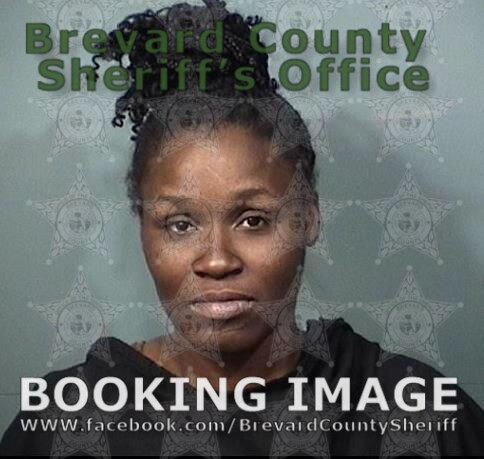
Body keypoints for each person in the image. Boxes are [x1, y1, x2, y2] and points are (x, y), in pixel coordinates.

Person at [1, 0, 483, 456]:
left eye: (253, 220)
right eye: (180, 224)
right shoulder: (66, 423)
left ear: (309, 217)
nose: (217, 260)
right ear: (142, 230)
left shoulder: (417, 414)